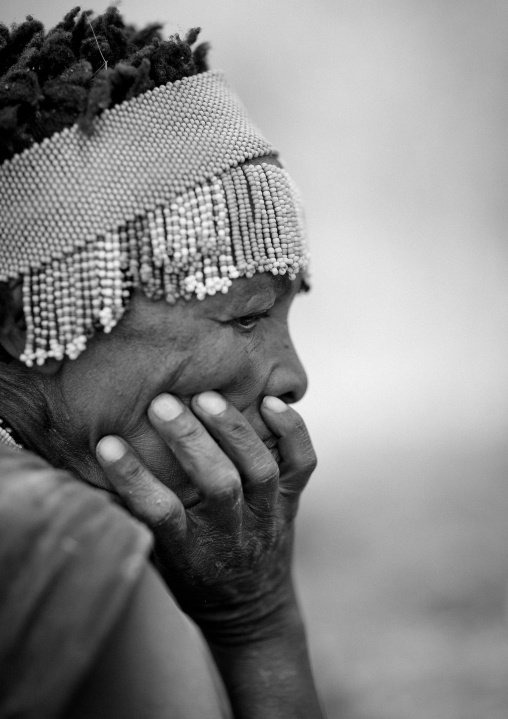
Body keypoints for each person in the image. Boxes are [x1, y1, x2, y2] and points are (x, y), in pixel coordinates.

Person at [0, 7, 323, 718]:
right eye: (243, 313)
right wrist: (258, 623)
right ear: (20, 323)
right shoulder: (59, 540)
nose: (294, 375)